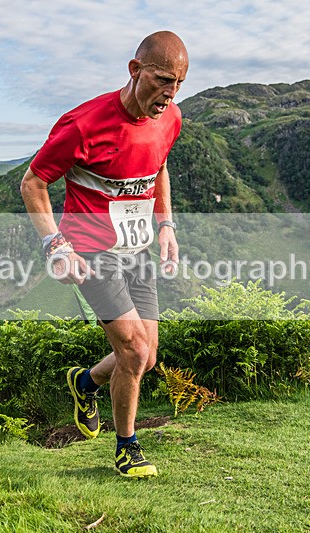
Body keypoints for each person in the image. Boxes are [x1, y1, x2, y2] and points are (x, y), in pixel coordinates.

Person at [20, 31, 187, 477]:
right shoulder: (84, 124)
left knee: (147, 356)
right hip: (91, 251)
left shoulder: (170, 118)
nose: (169, 94)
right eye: (163, 80)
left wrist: (165, 224)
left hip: (137, 251)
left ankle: (85, 381)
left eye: (179, 85)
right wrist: (54, 243)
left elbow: (160, 166)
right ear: (135, 71)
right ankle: (126, 447)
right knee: (133, 351)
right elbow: (33, 183)